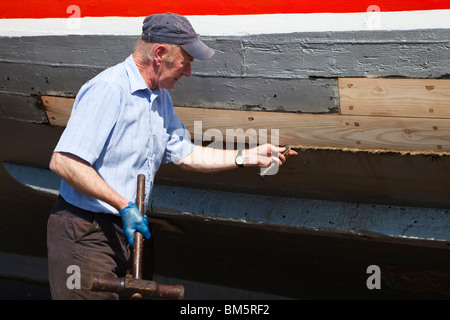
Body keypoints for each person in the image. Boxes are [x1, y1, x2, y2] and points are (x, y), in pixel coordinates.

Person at [47, 12, 297, 300]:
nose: (188, 72)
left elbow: (185, 153)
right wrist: (123, 204)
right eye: (185, 62)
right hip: (85, 231)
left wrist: (247, 156)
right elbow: (64, 161)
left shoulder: (159, 98)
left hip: (123, 230)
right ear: (160, 53)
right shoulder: (110, 89)